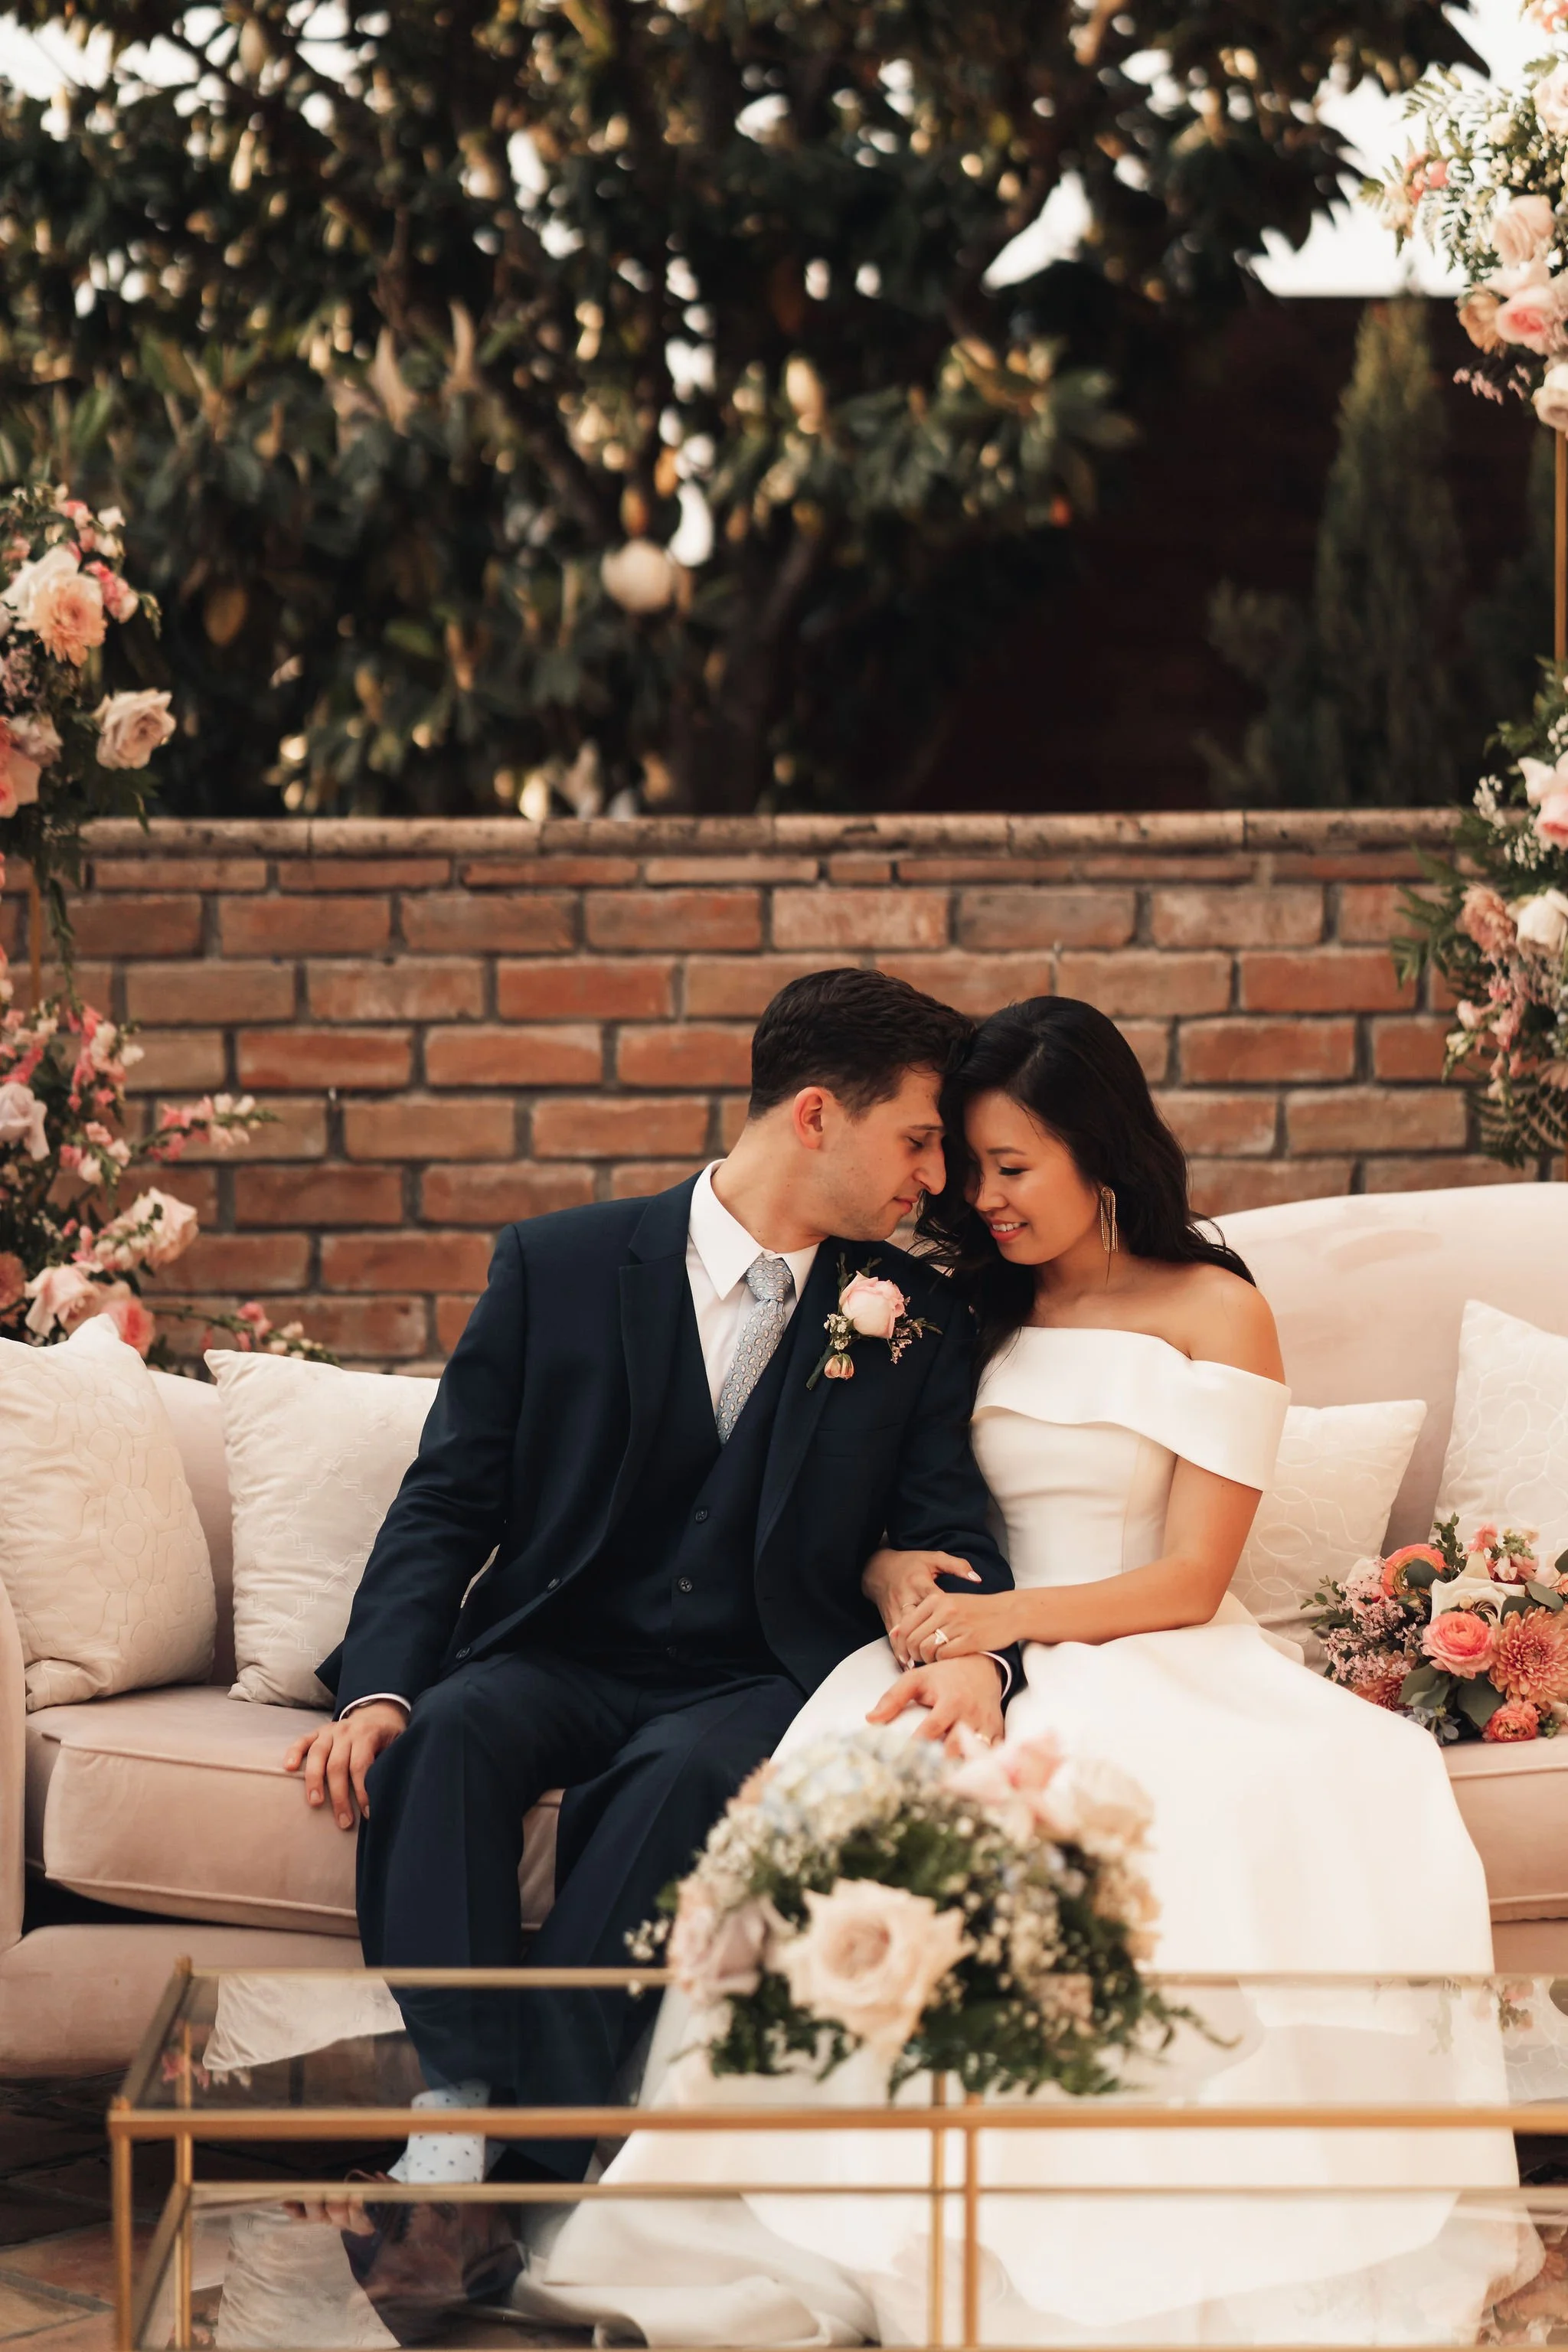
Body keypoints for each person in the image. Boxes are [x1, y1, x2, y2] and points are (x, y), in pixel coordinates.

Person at [534, 995, 1529, 2346]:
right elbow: (874, 1505)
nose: (982, 1198)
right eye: (969, 1167)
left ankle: (1103, 2242)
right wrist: (895, 1576)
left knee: (1169, 1828)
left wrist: (1007, 1625)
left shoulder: (1216, 1308)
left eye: (1012, 1168)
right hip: (959, 1648)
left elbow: (1189, 1579)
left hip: (1148, 1647)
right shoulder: (948, 1305)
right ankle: (855, 2219)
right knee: (840, 1811)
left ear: (1097, 1147)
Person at [280, 969, 1022, 2299]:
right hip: (559, 1647)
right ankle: (454, 2118)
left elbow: (947, 1527)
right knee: (445, 1734)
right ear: (816, 1115)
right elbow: (448, 1500)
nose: (935, 1179)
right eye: (919, 1141)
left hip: (752, 1673)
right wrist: (378, 1689)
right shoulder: (558, 1264)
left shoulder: (915, 1318)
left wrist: (973, 1637)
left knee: (681, 1784)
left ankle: (505, 2185)